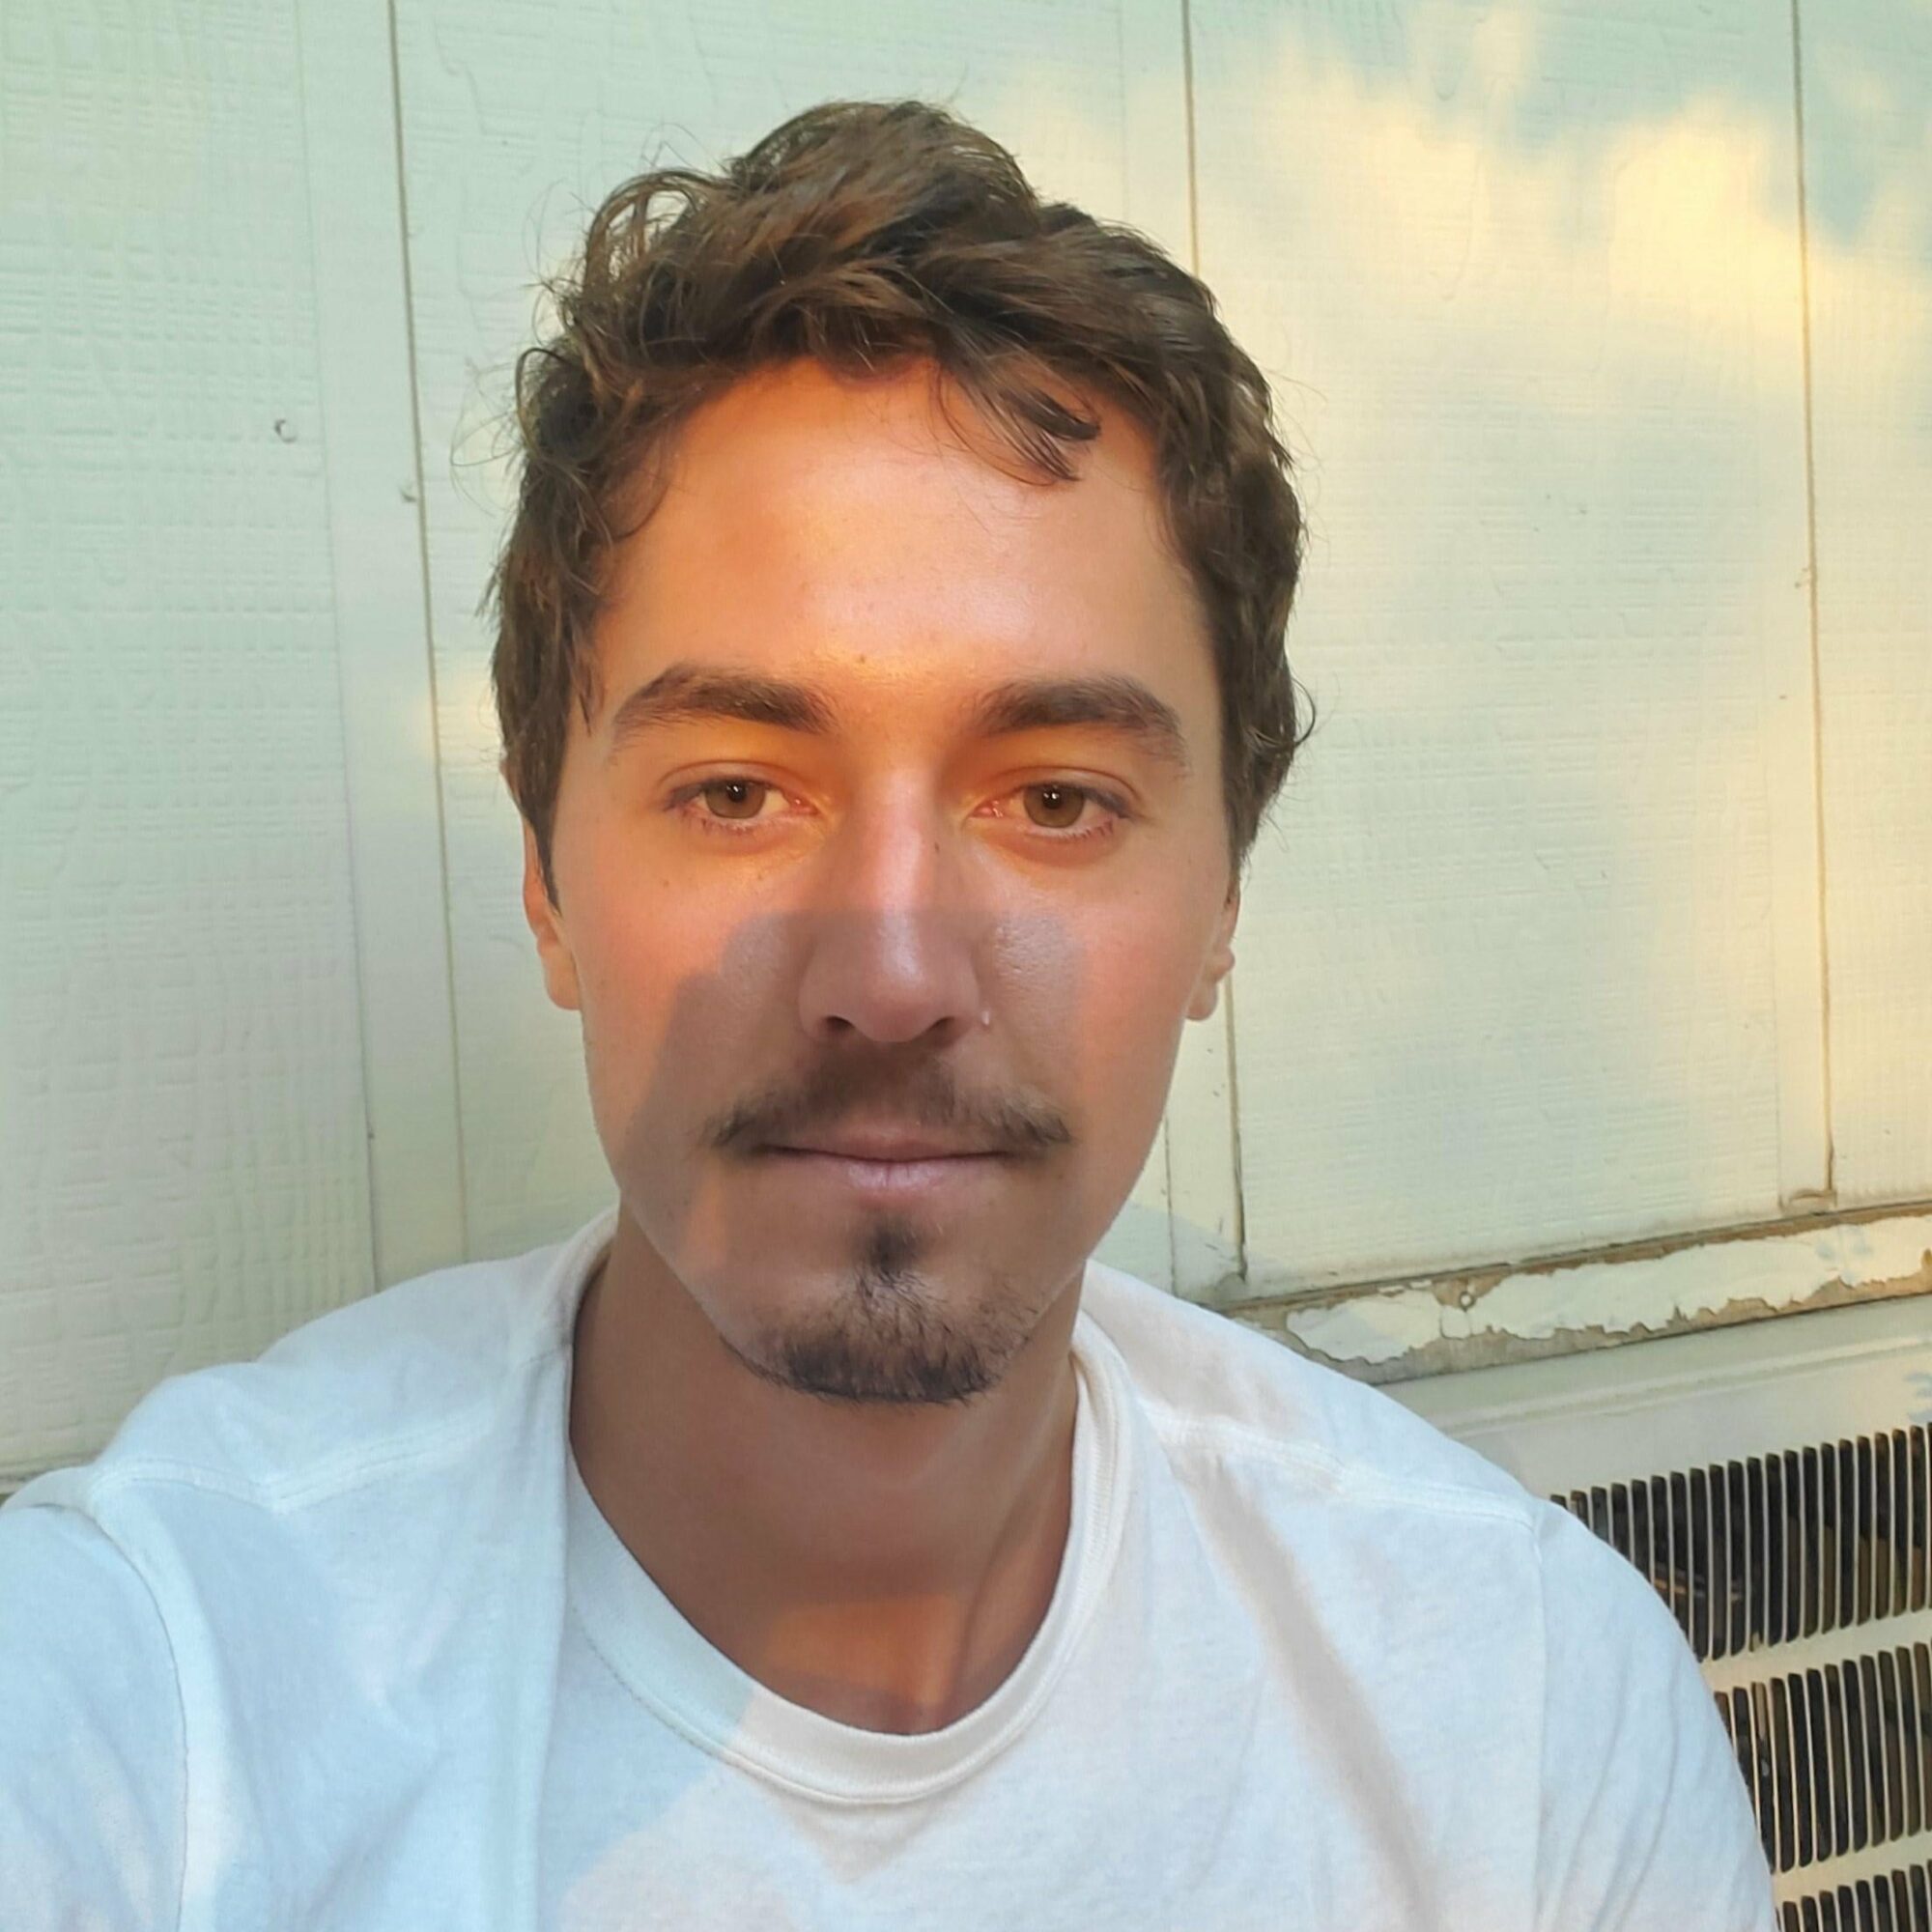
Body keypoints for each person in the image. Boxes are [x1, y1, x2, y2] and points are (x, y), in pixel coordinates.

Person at [0, 99, 1773, 1930]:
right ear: (545, 879)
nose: (895, 980)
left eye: (1057, 799)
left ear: (1224, 897)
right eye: (737, 792)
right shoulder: (157, 1709)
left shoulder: (1523, 1719)